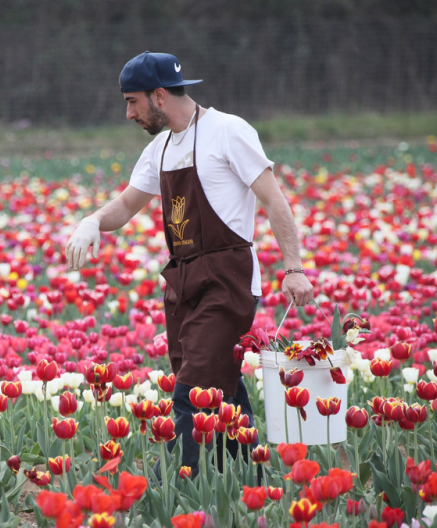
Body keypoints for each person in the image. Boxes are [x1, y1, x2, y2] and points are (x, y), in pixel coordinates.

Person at [65, 51, 314, 474]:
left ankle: (180, 487)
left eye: (132, 101)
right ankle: (253, 481)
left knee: (191, 390)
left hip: (227, 280)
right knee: (220, 388)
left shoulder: (228, 132)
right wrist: (92, 222)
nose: (128, 113)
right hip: (181, 282)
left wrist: (293, 268)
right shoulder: (160, 148)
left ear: (159, 96)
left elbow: (274, 200)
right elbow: (126, 205)